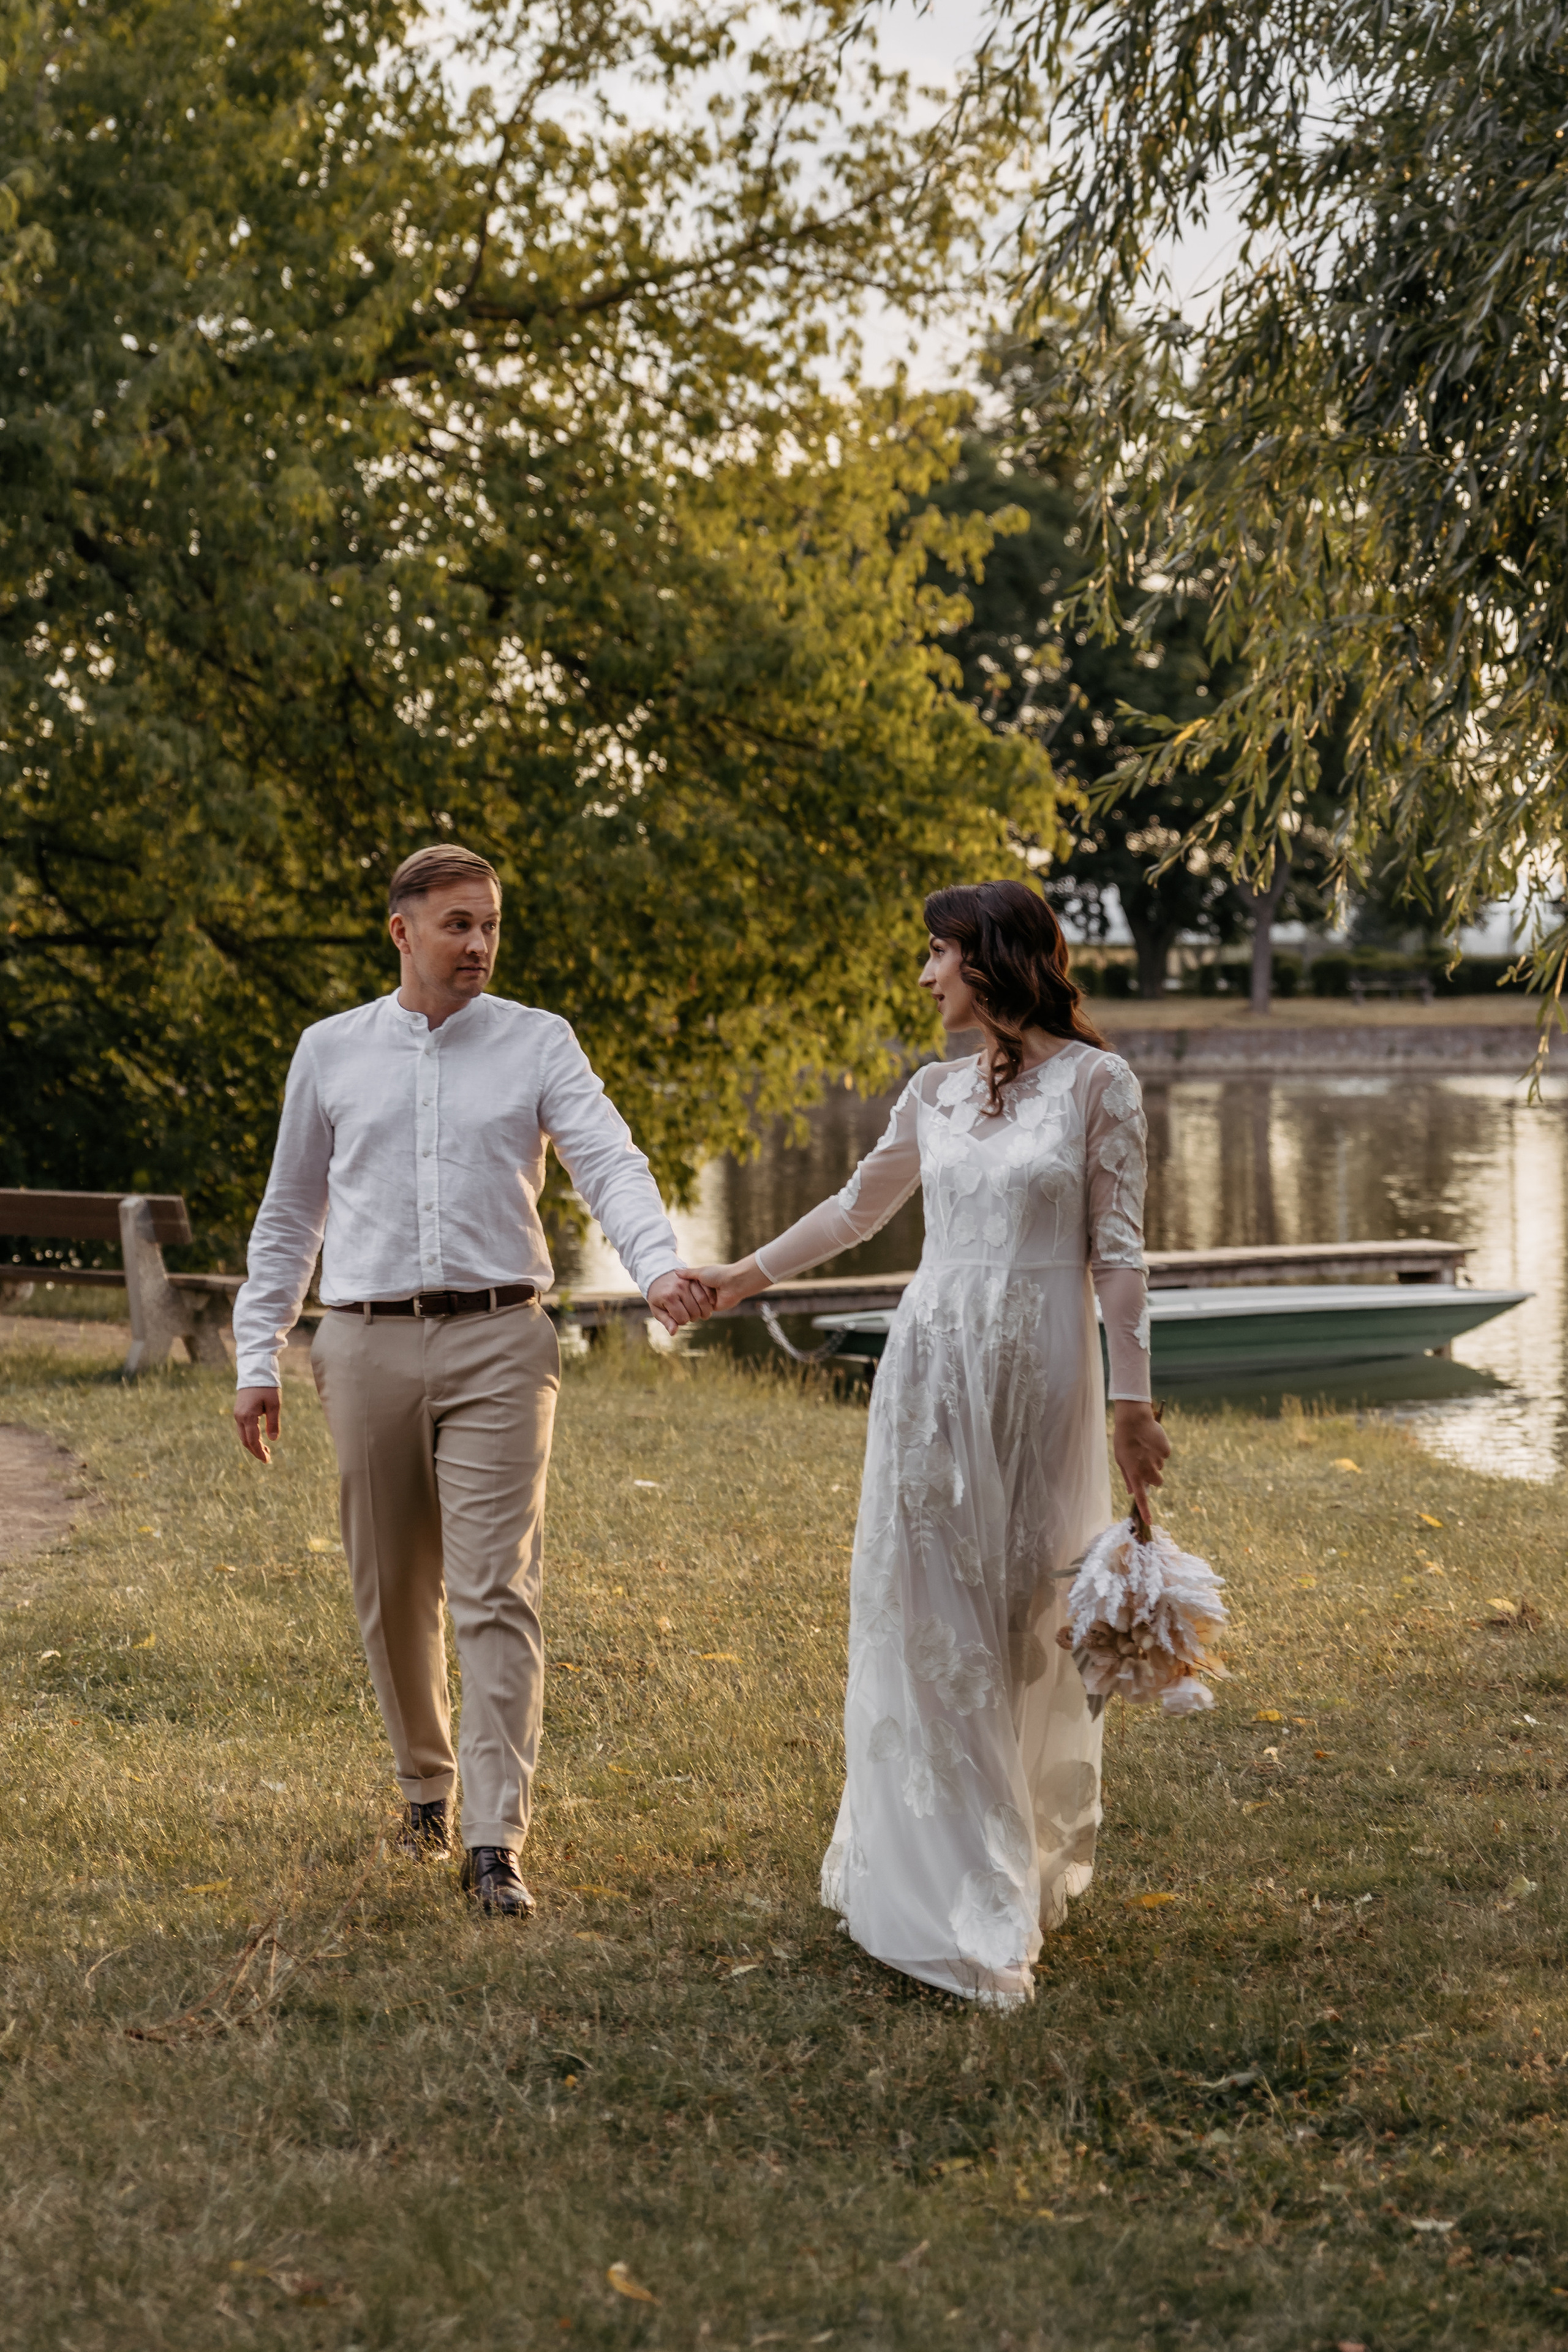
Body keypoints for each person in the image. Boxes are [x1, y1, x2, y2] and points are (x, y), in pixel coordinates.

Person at [696, 880, 1170, 2005]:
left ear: (992, 959)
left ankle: (1011, 1853)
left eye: (939, 954)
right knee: (931, 1615)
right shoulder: (936, 1093)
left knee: (1021, 1615)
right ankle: (962, 1888)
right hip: (931, 1375)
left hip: (1043, 1376)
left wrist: (1132, 1401)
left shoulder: (1102, 1085)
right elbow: (858, 1208)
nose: (926, 977)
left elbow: (1121, 1252)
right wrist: (737, 1278)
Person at [230, 845, 713, 1917]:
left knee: (498, 1588)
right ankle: (424, 1787)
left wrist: (658, 1263)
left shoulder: (540, 1042)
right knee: (391, 1586)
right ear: (400, 931)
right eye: (458, 924)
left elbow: (608, 1158)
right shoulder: (331, 1051)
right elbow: (289, 1211)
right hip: (361, 1344)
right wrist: (254, 1353)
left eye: (490, 924)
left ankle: (495, 1840)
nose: (480, 944)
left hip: (502, 1341)